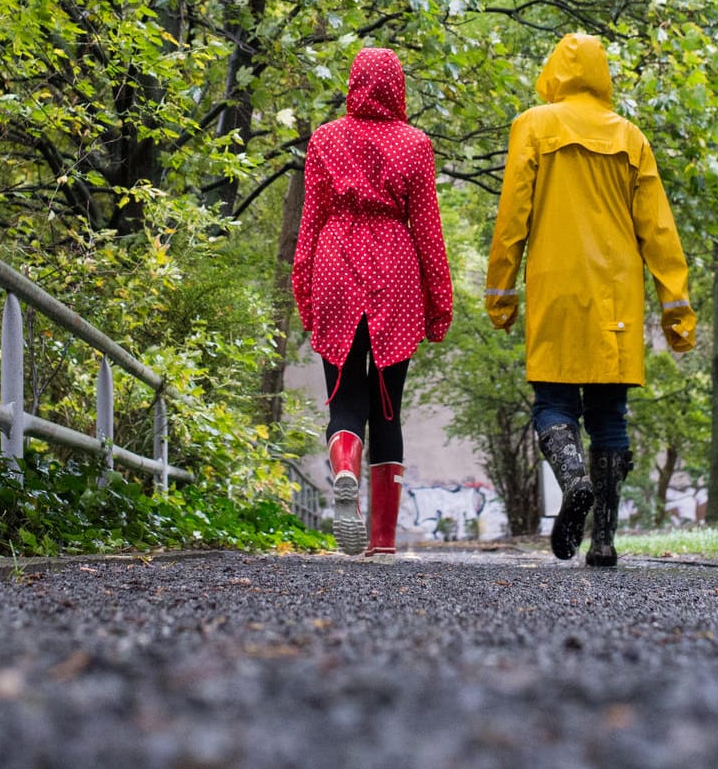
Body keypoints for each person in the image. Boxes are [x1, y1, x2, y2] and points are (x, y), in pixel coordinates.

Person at [484, 32, 695, 567]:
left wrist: (501, 295)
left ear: (556, 70)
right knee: (609, 412)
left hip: (557, 285)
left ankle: (573, 477)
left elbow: (512, 217)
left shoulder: (533, 126)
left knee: (554, 403)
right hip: (615, 295)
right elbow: (659, 232)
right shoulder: (631, 138)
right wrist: (677, 310)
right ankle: (602, 540)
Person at [293, 46, 453, 557]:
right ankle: (382, 541)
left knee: (345, 397)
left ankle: (344, 468)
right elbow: (428, 230)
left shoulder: (324, 139)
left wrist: (304, 288)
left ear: (353, 84)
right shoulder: (415, 144)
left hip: (334, 265)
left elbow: (310, 223)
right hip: (397, 270)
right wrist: (439, 302)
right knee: (389, 408)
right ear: (397, 87)